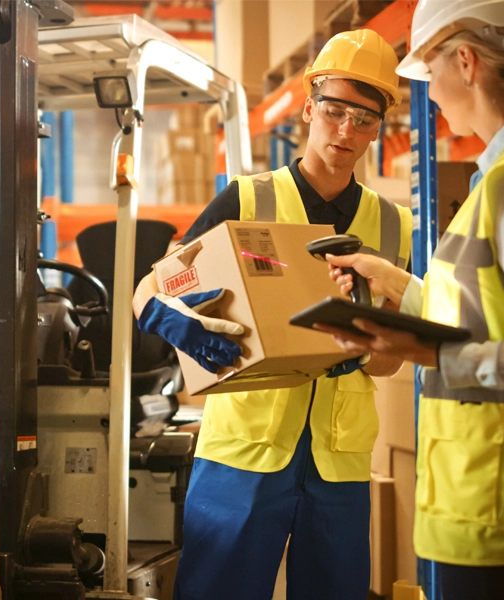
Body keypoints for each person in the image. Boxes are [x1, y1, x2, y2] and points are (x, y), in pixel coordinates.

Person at [314, 2, 504, 599]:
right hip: (498, 486)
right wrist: (394, 283)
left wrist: (428, 353)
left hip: (502, 491)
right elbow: (487, 310)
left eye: (428, 72)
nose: (427, 94)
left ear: (465, 61)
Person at [132, 29, 414, 600]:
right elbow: (149, 289)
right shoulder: (247, 199)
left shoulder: (394, 226)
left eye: (364, 120)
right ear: (309, 107)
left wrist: (362, 352)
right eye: (334, 111)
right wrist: (172, 320)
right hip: (244, 454)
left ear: (379, 128)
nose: (346, 131)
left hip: (338, 462)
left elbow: (388, 366)